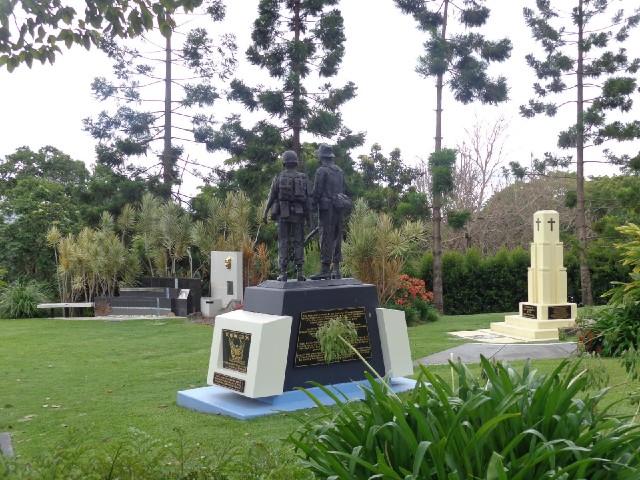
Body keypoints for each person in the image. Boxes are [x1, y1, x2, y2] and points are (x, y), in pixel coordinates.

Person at [262, 150, 310, 281]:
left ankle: (283, 273)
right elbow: (307, 199)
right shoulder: (302, 177)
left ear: (284, 163)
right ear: (296, 163)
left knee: (283, 242)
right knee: (299, 242)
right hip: (299, 214)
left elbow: (272, 196)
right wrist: (309, 219)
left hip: (283, 214)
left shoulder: (278, 177)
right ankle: (299, 272)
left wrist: (265, 213)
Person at [310, 144, 352, 280]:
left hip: (326, 209)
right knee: (336, 236)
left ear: (322, 156)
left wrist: (311, 207)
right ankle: (337, 269)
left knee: (325, 238)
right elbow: (343, 189)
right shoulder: (339, 171)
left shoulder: (322, 171)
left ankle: (325, 269)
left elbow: (317, 192)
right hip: (338, 208)